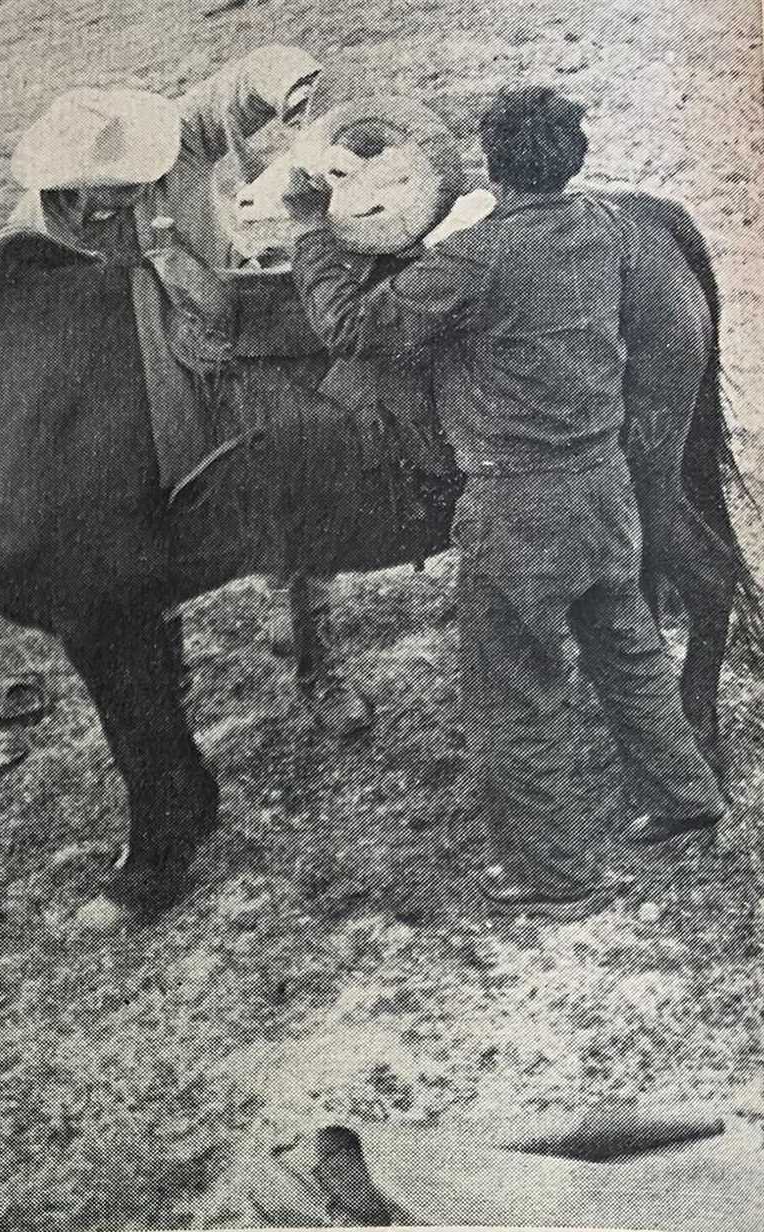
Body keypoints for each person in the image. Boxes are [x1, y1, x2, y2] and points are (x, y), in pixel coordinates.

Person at [283, 85, 727, 919]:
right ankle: (686, 797)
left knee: (511, 685)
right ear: (575, 161)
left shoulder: (474, 261)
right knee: (626, 647)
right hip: (603, 484)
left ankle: (553, 875)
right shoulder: (604, 228)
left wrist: (312, 227)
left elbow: (352, 331)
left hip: (517, 501)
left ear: (489, 164)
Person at [4, 51, 375, 737]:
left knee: (296, 474)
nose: (124, 197)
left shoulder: (176, 136)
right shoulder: (31, 231)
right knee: (136, 528)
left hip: (231, 344)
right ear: (69, 184)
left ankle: (317, 661)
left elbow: (256, 76)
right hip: (131, 388)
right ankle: (167, 681)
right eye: (107, 189)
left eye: (133, 184)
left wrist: (296, 93)